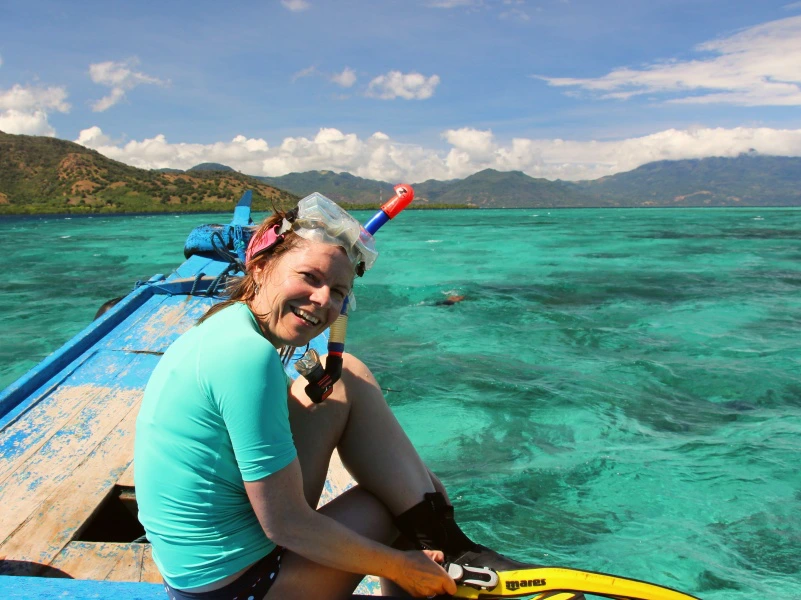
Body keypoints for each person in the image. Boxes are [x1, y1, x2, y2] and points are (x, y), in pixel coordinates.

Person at [134, 193, 521, 600]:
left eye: (338, 291)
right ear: (261, 266)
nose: (323, 301)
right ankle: (444, 559)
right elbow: (286, 525)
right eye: (309, 278)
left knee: (349, 380)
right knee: (401, 504)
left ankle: (449, 545)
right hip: (240, 590)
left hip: (204, 573)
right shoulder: (249, 356)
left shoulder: (227, 324)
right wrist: (400, 567)